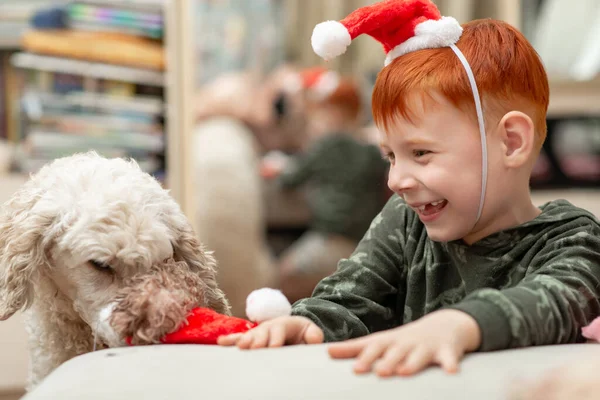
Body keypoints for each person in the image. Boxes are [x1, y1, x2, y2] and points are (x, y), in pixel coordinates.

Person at [219, 0, 600, 378]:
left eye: (420, 152)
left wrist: (460, 325)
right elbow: (351, 297)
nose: (395, 180)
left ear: (511, 143)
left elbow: (554, 300)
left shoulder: (573, 238)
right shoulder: (404, 223)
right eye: (390, 156)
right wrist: (308, 323)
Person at [261, 67, 389, 303]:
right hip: (364, 237)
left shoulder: (327, 144)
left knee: (275, 280)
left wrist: (277, 169)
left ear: (334, 112)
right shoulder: (372, 151)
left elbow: (290, 179)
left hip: (331, 236)